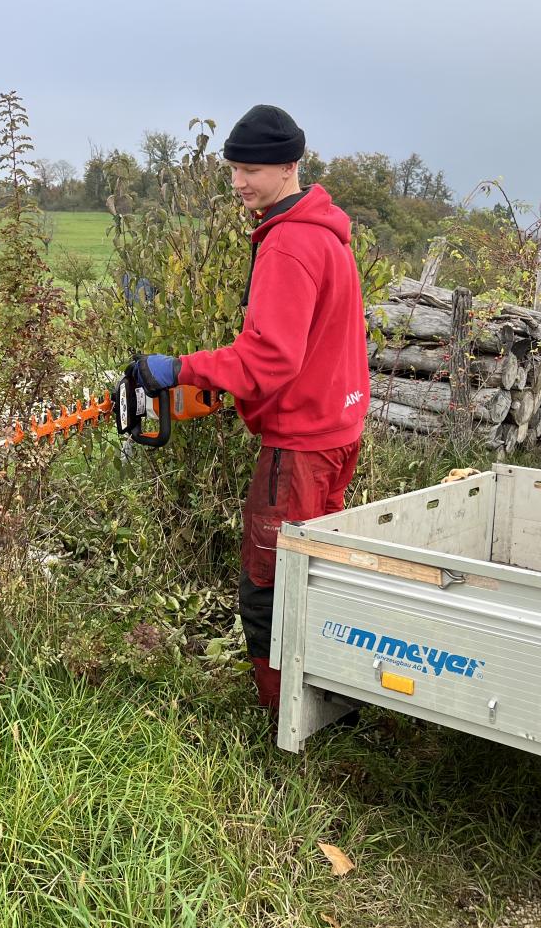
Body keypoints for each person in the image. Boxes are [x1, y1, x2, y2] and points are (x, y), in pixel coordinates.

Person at [129, 104, 369, 710]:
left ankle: (282, 717)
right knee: (318, 575)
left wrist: (180, 368)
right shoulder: (327, 234)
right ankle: (327, 700)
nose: (239, 182)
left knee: (270, 583)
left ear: (288, 166)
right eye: (233, 168)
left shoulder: (288, 244)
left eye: (251, 170)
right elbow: (311, 348)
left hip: (300, 444)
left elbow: (269, 357)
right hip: (338, 429)